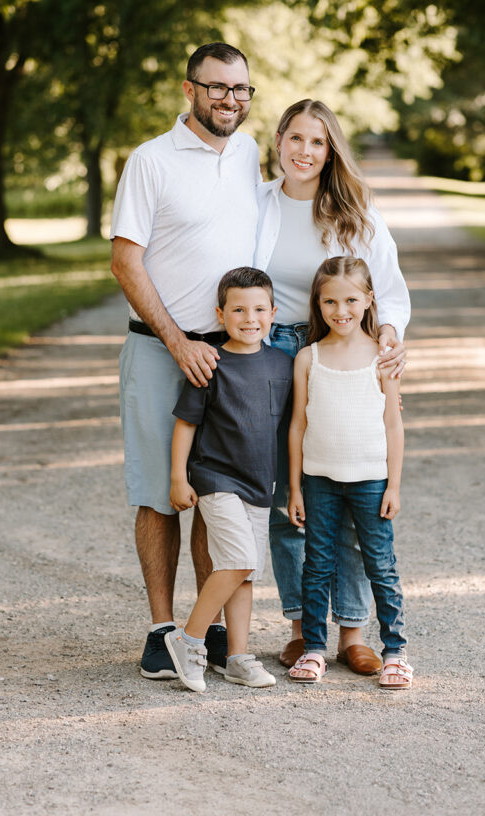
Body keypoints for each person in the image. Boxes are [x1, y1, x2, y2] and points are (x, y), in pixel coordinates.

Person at [110, 43, 261, 680]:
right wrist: (178, 342)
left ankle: (213, 629)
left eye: (242, 89)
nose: (231, 99)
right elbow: (125, 261)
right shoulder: (151, 162)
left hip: (229, 356)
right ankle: (161, 629)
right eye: (217, 87)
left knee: (219, 493)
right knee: (159, 493)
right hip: (159, 347)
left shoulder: (251, 155)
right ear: (188, 89)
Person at [254, 99, 410, 674]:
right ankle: (302, 627)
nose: (304, 151)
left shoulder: (355, 210)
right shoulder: (257, 204)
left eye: (317, 142)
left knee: (348, 490)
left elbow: (388, 289)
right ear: (278, 142)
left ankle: (353, 632)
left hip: (340, 352)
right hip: (272, 353)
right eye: (295, 138)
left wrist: (388, 341)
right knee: (287, 496)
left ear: (330, 149)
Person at [166, 267, 293, 693]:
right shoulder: (210, 361)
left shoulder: (283, 364)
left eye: (259, 309)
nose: (249, 317)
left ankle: (237, 657)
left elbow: (304, 417)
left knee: (246, 572)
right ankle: (188, 639)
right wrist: (177, 479)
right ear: (221, 314)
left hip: (261, 483)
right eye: (238, 309)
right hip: (215, 477)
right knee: (240, 559)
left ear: (273, 313)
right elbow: (185, 423)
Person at [287, 256, 412, 688]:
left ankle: (395, 652)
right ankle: (314, 649)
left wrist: (393, 484)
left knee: (380, 564)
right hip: (319, 481)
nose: (340, 310)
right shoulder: (308, 358)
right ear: (317, 305)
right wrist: (294, 487)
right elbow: (298, 425)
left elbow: (393, 425)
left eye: (351, 300)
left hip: (371, 481)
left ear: (369, 300)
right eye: (329, 302)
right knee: (317, 565)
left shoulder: (382, 357)